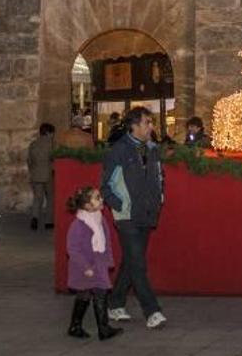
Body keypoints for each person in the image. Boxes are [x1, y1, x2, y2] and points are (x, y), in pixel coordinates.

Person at [100, 106, 167, 329]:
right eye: (147, 122)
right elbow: (106, 186)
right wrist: (121, 205)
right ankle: (152, 311)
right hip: (127, 216)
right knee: (138, 263)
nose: (151, 127)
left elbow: (159, 176)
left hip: (147, 213)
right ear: (134, 125)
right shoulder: (119, 150)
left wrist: (159, 198)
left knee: (131, 261)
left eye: (151, 122)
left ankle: (115, 303)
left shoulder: (153, 149)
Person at [65, 186, 123, 341]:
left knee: (100, 292)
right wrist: (86, 267)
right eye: (97, 198)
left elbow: (107, 242)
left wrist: (108, 259)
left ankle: (98, 329)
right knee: (85, 294)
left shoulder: (100, 219)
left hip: (98, 264)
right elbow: (73, 249)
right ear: (87, 205)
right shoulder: (78, 225)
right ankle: (79, 326)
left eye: (100, 197)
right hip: (85, 267)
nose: (101, 200)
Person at [28, 123, 55, 230]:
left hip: (35, 174)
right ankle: (49, 221)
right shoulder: (52, 144)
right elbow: (54, 158)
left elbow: (29, 160)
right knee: (50, 198)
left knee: (37, 198)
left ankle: (35, 217)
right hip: (49, 174)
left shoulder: (33, 144)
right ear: (48, 132)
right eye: (52, 133)